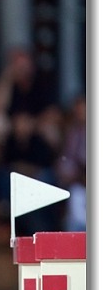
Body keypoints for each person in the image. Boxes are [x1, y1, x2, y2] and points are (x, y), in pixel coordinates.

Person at [0, 46, 60, 164]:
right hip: (12, 125)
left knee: (52, 132)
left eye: (24, 66)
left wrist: (31, 123)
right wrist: (6, 79)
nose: (21, 70)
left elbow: (53, 113)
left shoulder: (41, 83)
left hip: (36, 124)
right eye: (17, 66)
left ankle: (52, 169)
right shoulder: (7, 84)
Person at [55, 94, 87, 232]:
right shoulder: (72, 134)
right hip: (77, 185)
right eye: (77, 111)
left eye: (83, 110)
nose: (80, 114)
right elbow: (65, 163)